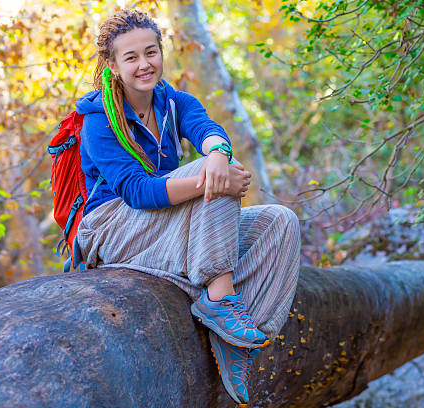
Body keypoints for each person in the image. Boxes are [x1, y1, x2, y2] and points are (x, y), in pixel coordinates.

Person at [74, 8, 301, 407]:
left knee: (279, 221)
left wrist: (217, 153)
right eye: (131, 57)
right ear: (112, 65)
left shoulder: (175, 102)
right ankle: (219, 298)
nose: (145, 64)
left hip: (161, 221)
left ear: (162, 51)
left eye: (151, 52)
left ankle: (238, 342)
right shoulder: (98, 119)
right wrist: (212, 179)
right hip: (112, 226)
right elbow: (137, 191)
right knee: (214, 177)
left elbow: (207, 129)